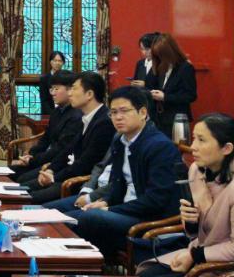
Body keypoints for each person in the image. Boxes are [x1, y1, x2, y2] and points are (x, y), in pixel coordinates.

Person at [137, 113, 234, 277]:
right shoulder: (197, 171)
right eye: (194, 139)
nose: (193, 147)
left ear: (226, 148)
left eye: (201, 140)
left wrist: (195, 255)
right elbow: (201, 231)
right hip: (201, 257)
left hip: (229, 270)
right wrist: (191, 223)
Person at [58, 85, 182, 257]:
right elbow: (118, 184)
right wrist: (105, 202)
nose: (118, 117)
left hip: (148, 218)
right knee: (64, 217)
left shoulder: (159, 146)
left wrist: (111, 209)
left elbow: (155, 200)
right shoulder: (120, 141)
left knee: (87, 218)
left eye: (124, 111)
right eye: (113, 112)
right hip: (124, 210)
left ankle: (88, 264)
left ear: (143, 112)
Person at [27, 71, 114, 204]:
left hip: (81, 182)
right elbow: (68, 149)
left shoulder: (104, 122)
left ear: (89, 94)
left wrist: (54, 177)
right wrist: (51, 169)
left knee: (31, 198)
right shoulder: (86, 117)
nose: (69, 93)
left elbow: (86, 163)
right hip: (67, 174)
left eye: (74, 89)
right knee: (23, 188)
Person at [14, 70, 80, 185]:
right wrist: (31, 154)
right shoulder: (57, 111)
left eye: (56, 89)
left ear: (70, 90)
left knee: (22, 181)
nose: (52, 93)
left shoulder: (76, 116)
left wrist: (33, 160)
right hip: (44, 159)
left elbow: (60, 149)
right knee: (10, 172)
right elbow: (46, 138)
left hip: (56, 163)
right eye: (51, 89)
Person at [144, 33, 197, 140]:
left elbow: (190, 95)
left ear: (169, 52)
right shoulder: (158, 65)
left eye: (161, 55)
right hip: (157, 117)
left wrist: (165, 97)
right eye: (157, 55)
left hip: (176, 119)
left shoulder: (185, 68)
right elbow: (148, 85)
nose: (159, 58)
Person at [38, 51, 66, 115]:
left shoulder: (66, 77)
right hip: (49, 113)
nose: (57, 63)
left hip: (65, 113)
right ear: (51, 62)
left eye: (60, 61)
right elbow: (44, 100)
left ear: (63, 63)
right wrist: (52, 115)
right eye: (55, 60)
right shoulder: (44, 79)